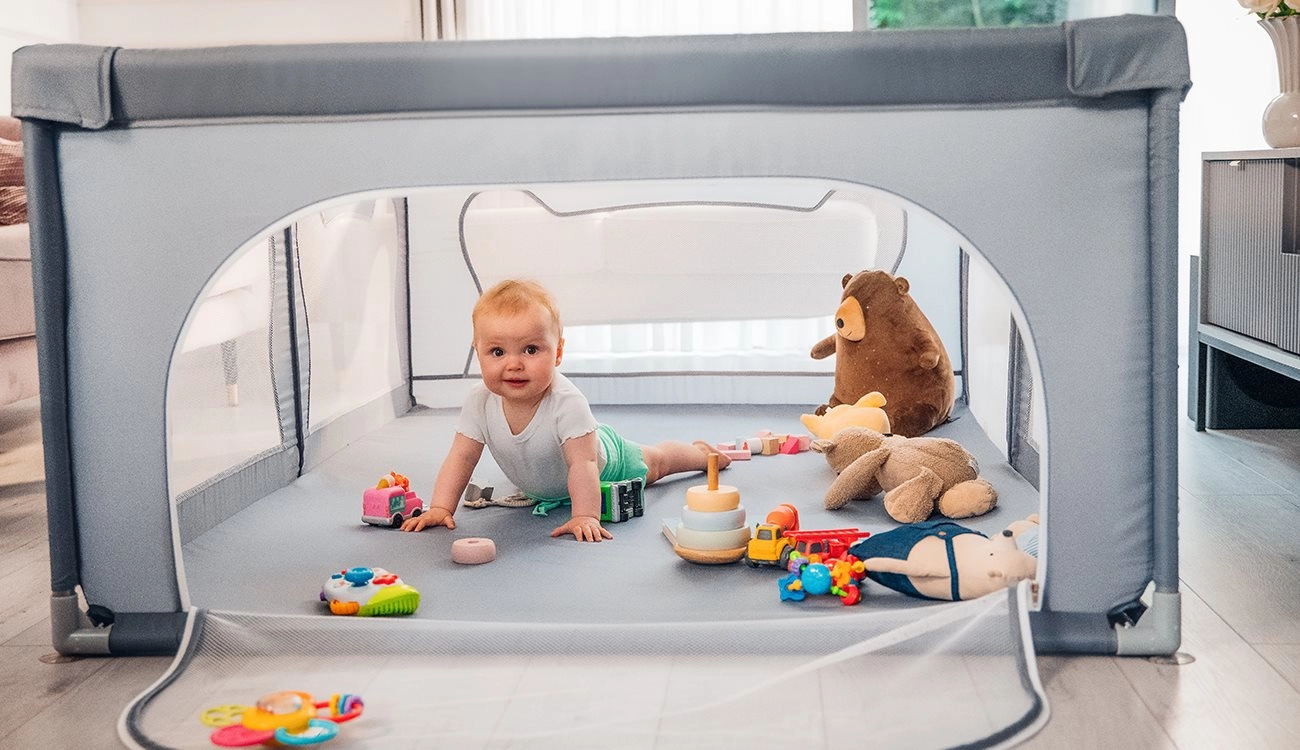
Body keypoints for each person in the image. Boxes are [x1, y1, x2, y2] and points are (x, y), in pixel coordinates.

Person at [401, 279, 729, 542]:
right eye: (497, 352)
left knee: (656, 463)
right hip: (548, 482)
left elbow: (583, 464)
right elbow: (461, 457)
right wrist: (441, 507)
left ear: (557, 352)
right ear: (478, 353)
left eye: (531, 349)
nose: (514, 364)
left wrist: (585, 515)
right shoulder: (479, 401)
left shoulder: (567, 402)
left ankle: (702, 456)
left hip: (605, 462)